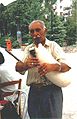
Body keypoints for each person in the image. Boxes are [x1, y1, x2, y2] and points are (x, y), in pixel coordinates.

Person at [15, 20, 71, 119]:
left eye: (38, 30)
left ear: (45, 31)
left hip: (52, 92)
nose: (35, 34)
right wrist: (26, 65)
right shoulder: (29, 49)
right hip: (34, 92)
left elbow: (67, 66)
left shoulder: (52, 46)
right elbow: (18, 68)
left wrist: (53, 66)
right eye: (32, 31)